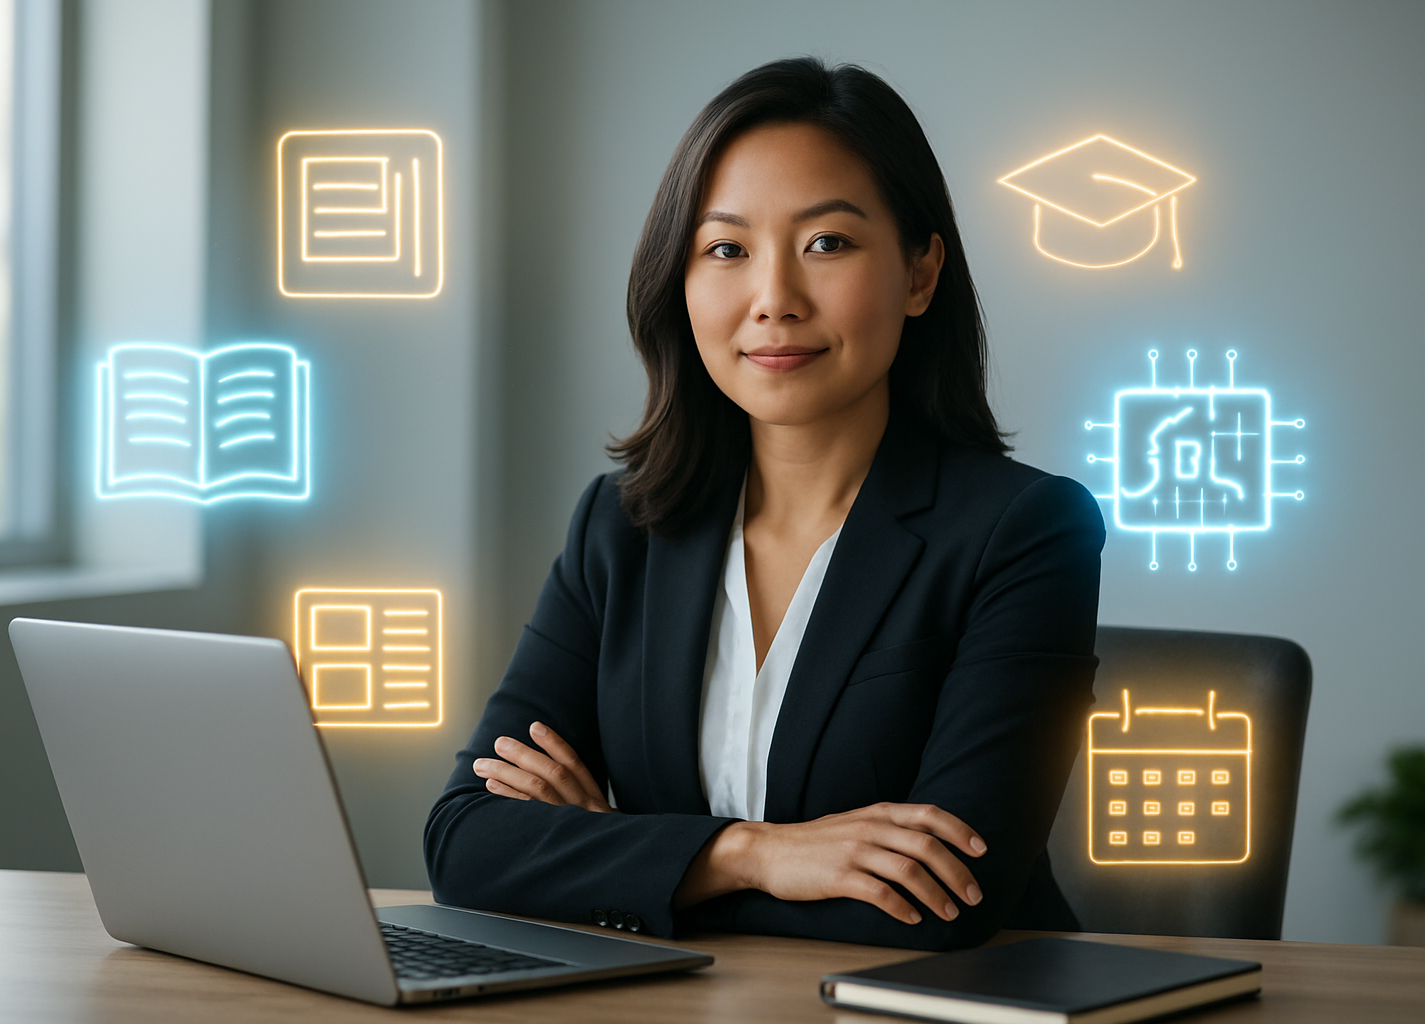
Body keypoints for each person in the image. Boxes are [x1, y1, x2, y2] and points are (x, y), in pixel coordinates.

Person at [425, 56, 1104, 951]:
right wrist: (756, 855)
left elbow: (948, 898)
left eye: (828, 243)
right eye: (726, 249)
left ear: (918, 273)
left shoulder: (1026, 532)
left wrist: (614, 855)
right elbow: (465, 843)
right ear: (682, 280)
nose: (773, 300)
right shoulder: (620, 528)